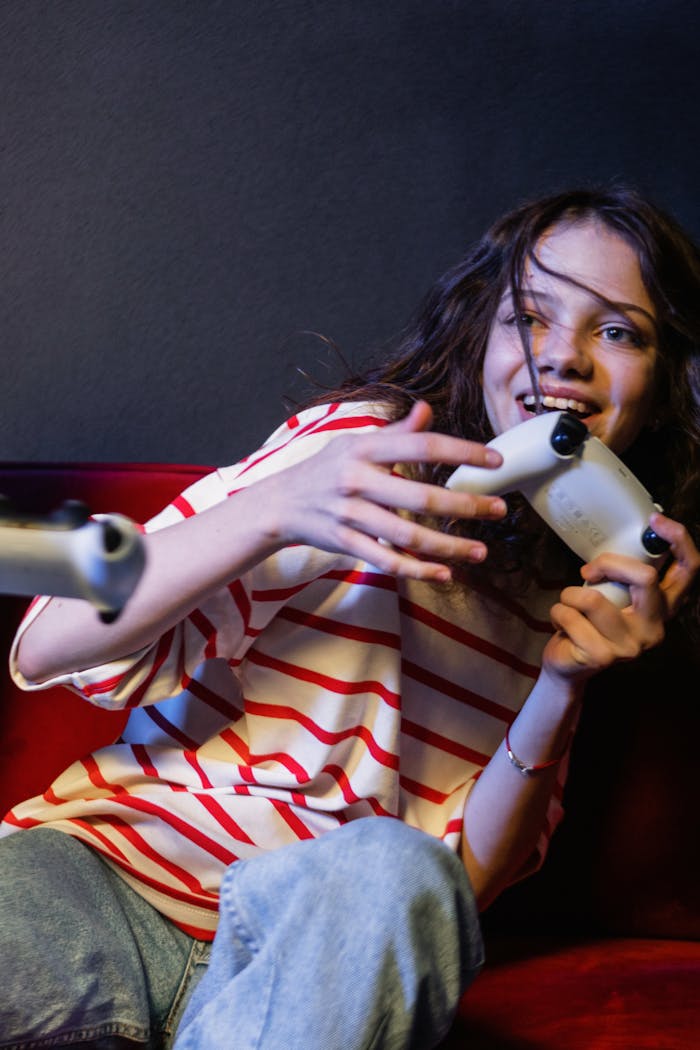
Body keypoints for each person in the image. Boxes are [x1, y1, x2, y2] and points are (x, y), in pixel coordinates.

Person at [2, 184, 699, 1050]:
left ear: (666, 384)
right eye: (533, 314)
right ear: (484, 330)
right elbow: (50, 636)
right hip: (99, 888)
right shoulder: (358, 452)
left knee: (398, 869)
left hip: (314, 960)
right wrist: (278, 504)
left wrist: (564, 682)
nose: (565, 358)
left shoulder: (584, 591)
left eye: (619, 331)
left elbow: (454, 889)